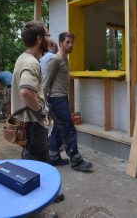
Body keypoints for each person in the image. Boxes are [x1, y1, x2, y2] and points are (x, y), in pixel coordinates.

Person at [11, 21, 61, 218]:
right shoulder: (32, 63)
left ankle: (49, 194)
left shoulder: (23, 57)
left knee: (41, 161)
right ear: (39, 39)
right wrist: (41, 110)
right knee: (35, 166)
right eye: (47, 35)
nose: (50, 38)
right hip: (32, 123)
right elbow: (25, 91)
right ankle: (40, 211)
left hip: (27, 122)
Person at [43, 32, 93, 172]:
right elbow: (45, 83)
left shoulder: (64, 59)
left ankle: (53, 156)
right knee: (69, 129)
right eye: (67, 42)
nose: (70, 45)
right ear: (60, 43)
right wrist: (45, 103)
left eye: (72, 42)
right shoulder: (55, 60)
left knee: (59, 129)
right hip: (56, 100)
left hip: (61, 98)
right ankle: (76, 160)